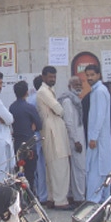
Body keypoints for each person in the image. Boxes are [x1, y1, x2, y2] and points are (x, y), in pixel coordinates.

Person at [36, 66, 72, 210]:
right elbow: (59, 110)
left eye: (54, 77)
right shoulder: (44, 91)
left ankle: (52, 198)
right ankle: (60, 201)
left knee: (53, 167)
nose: (52, 79)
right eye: (50, 77)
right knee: (59, 167)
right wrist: (59, 111)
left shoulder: (48, 91)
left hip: (52, 130)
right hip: (53, 131)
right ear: (43, 77)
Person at [85, 64, 111, 203]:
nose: (90, 78)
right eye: (88, 75)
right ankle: (101, 201)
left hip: (98, 139)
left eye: (92, 75)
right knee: (100, 171)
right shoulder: (96, 91)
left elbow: (100, 116)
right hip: (98, 138)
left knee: (97, 172)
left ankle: (94, 202)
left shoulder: (100, 91)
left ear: (99, 75)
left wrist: (94, 137)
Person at [10, 80, 42, 196]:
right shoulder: (29, 108)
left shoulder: (12, 107)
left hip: (17, 144)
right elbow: (39, 124)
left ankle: (19, 198)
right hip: (29, 144)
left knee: (18, 173)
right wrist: (33, 125)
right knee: (30, 174)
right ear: (26, 92)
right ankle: (29, 197)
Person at [58, 76, 86, 204]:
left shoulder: (75, 100)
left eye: (80, 84)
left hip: (78, 138)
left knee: (78, 169)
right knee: (79, 169)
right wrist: (76, 140)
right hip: (75, 141)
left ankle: (77, 196)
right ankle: (79, 198)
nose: (79, 86)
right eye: (76, 84)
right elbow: (69, 123)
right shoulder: (68, 101)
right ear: (69, 86)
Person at [27, 75, 49, 203]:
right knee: (41, 166)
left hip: (32, 135)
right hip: (40, 134)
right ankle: (43, 196)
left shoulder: (29, 99)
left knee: (35, 167)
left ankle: (37, 193)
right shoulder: (40, 97)